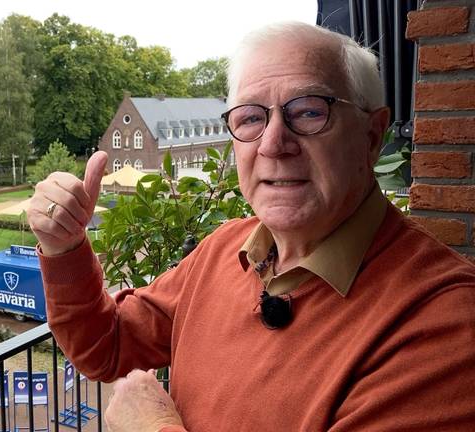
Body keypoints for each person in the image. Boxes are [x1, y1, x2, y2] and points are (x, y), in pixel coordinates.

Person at [28, 22, 475, 431]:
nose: (274, 143)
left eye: (308, 111)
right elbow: (107, 344)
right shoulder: (227, 249)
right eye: (251, 118)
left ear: (372, 137)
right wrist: (64, 247)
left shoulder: (443, 326)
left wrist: (151, 427)